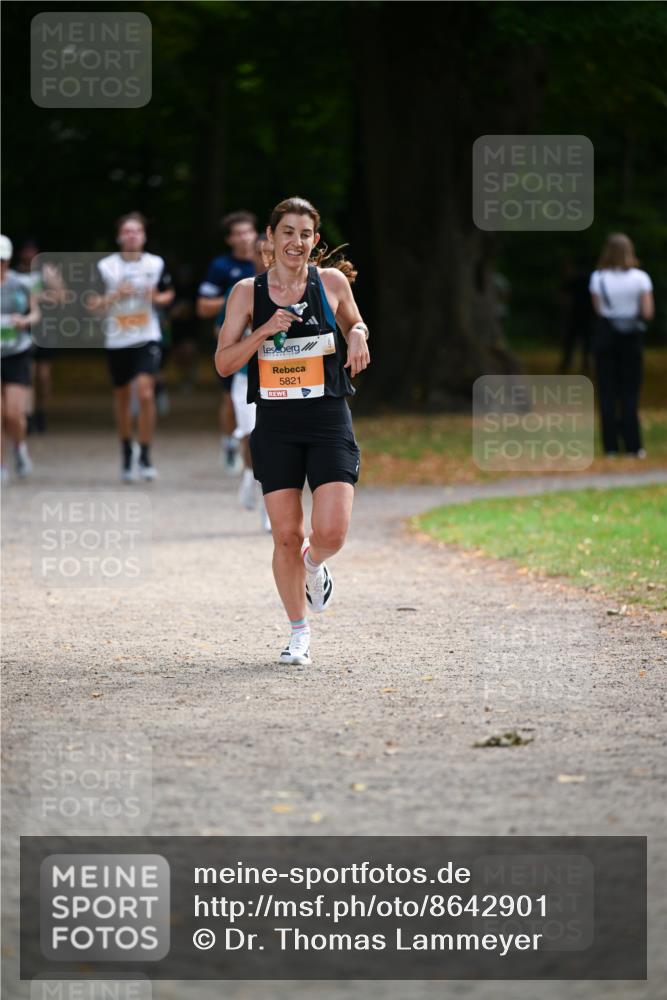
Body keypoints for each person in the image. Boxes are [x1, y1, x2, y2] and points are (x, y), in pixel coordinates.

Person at [215, 196, 370, 666]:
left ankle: (313, 564)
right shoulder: (247, 292)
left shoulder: (332, 282)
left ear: (314, 240)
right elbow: (224, 363)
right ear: (270, 237)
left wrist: (358, 333)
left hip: (327, 420)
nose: (295, 242)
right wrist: (262, 332)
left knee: (332, 532)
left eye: (304, 234)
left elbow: (356, 322)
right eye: (287, 232)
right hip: (276, 426)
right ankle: (298, 633)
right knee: (285, 534)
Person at [89, 212, 174, 482]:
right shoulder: (106, 267)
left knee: (146, 393)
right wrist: (116, 295)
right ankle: (127, 450)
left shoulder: (156, 263)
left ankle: (145, 454)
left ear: (144, 236)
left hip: (147, 336)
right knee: (122, 397)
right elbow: (92, 304)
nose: (132, 235)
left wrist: (156, 297)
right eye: (127, 231)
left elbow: (168, 294)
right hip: (117, 338)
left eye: (136, 231)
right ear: (119, 236)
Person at [197, 211, 258, 473]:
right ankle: (229, 443)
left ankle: (256, 456)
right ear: (230, 239)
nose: (245, 238)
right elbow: (202, 307)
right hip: (233, 343)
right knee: (231, 399)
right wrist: (237, 299)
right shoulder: (221, 267)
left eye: (248, 232)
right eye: (239, 233)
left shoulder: (269, 263)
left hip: (263, 346)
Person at [589, 233, 654, 457]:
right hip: (631, 338)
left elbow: (598, 310)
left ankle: (611, 446)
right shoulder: (640, 278)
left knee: (607, 392)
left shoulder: (598, 277)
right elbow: (647, 312)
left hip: (607, 336)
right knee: (630, 392)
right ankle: (633, 445)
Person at [13, 237, 66, 433]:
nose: (29, 254)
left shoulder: (47, 271)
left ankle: (41, 410)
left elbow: (62, 297)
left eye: (32, 250)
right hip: (23, 328)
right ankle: (28, 416)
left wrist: (40, 296)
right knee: (29, 373)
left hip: (45, 327)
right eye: (25, 250)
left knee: (43, 375)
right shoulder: (14, 273)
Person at [0, 235, 40, 480]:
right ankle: (1, 465)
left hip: (16, 352)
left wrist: (24, 320)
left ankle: (19, 447)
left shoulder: (22, 283)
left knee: (14, 414)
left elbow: (36, 312)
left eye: (2, 260)